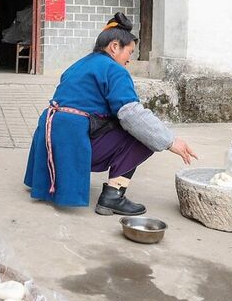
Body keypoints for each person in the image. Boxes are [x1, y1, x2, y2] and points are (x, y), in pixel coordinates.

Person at [24, 13, 198, 215]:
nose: (129, 60)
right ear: (115, 47)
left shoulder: (79, 64)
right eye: (129, 52)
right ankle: (113, 196)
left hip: (51, 137)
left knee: (133, 126)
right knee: (143, 135)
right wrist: (170, 141)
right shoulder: (114, 69)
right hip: (73, 137)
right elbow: (131, 114)